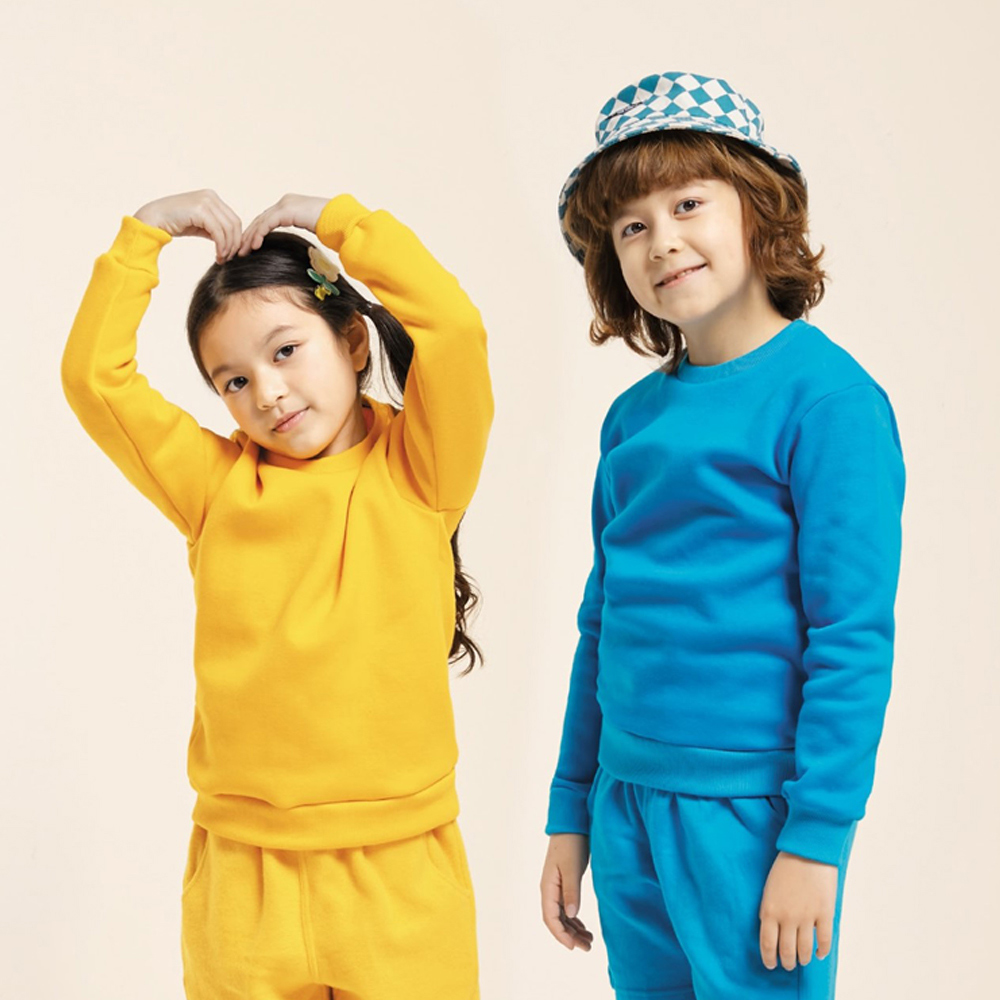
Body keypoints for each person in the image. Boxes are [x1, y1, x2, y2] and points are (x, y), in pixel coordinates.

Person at [62, 189, 492, 999]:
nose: (266, 392)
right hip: (243, 874)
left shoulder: (421, 469)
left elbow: (454, 327)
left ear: (353, 342)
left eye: (286, 350)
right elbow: (94, 378)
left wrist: (341, 223)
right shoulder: (213, 487)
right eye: (233, 379)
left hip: (398, 869)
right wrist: (146, 234)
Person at [539, 71, 905, 999]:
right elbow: (601, 625)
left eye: (688, 204)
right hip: (624, 799)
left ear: (758, 208)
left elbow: (851, 636)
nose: (662, 239)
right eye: (631, 227)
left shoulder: (829, 403)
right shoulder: (631, 422)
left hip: (752, 812)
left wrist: (815, 840)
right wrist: (570, 811)